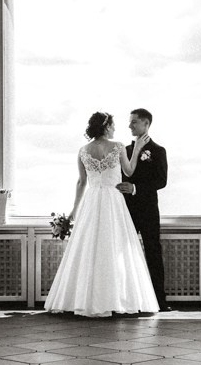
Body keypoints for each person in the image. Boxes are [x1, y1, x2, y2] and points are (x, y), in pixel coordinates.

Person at [45, 111, 159, 317]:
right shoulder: (117, 146)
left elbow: (81, 182)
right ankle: (114, 299)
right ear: (106, 127)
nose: (116, 129)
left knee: (89, 247)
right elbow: (130, 171)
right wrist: (138, 149)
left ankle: (83, 299)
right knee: (114, 246)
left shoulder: (83, 150)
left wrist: (74, 210)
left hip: (92, 200)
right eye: (113, 125)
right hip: (113, 200)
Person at [116, 107, 170, 311]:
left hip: (148, 210)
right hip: (126, 210)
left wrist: (136, 188)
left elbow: (161, 181)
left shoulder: (158, 151)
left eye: (134, 122)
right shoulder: (125, 150)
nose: (130, 125)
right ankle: (123, 300)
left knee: (153, 253)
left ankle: (159, 301)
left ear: (146, 124)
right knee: (122, 253)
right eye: (130, 122)